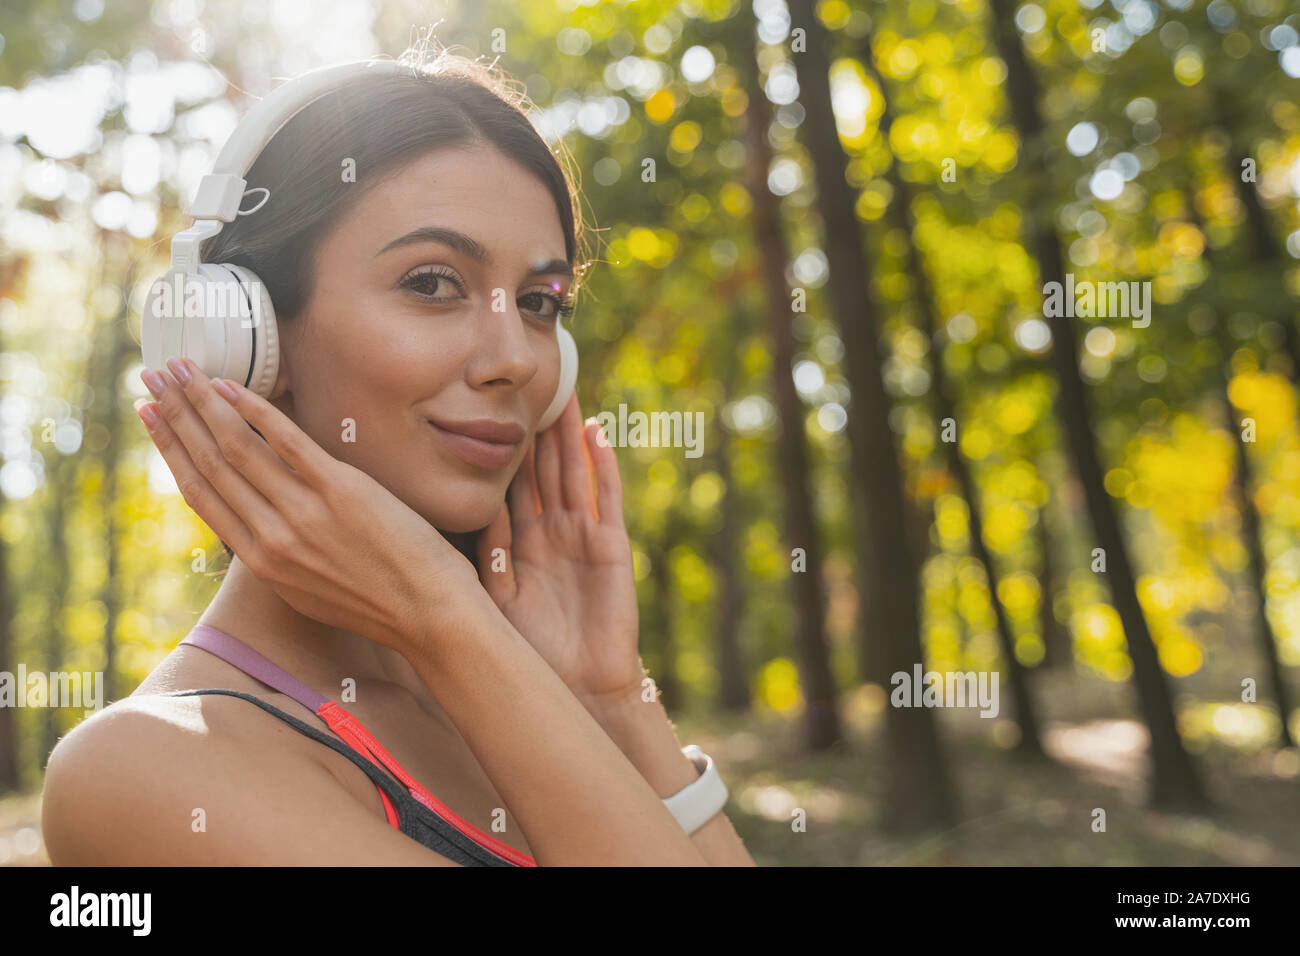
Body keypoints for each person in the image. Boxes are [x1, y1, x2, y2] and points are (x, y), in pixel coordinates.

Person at [41, 43, 755, 866]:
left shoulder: (509, 704)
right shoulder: (148, 771)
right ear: (241, 336)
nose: (515, 358)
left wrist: (613, 701)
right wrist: (442, 612)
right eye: (431, 283)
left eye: (538, 302)